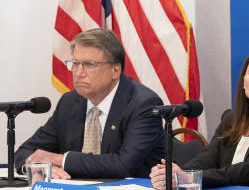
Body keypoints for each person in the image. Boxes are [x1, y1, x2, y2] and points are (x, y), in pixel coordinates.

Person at [149, 47, 249, 189]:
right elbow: (207, 158)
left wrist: (190, 178)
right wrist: (176, 175)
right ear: (243, 83)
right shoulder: (231, 119)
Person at [15, 28, 164, 178]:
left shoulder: (143, 104)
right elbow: (26, 151)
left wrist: (60, 159)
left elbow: (123, 164)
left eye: (89, 65)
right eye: (75, 63)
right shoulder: (70, 102)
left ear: (115, 70)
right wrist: (38, 167)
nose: (79, 73)